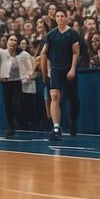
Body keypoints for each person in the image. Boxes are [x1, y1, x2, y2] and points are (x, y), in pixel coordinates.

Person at [41, 13, 80, 142]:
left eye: (62, 16)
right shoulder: (51, 35)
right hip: (56, 70)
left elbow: (76, 53)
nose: (60, 18)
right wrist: (46, 71)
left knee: (74, 100)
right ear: (55, 18)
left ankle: (73, 120)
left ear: (66, 18)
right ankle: (56, 127)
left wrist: (73, 69)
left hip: (68, 70)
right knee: (54, 96)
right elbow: (44, 53)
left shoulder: (72, 33)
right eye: (58, 16)